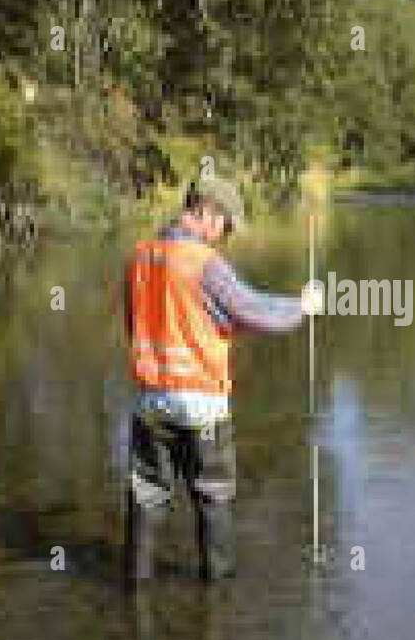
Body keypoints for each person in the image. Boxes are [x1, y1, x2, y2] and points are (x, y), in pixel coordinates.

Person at [122, 176, 310, 581]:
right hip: (200, 402)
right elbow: (253, 311)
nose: (225, 235)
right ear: (206, 213)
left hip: (147, 399)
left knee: (147, 495)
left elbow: (137, 322)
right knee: (213, 497)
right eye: (226, 225)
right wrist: (302, 306)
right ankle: (218, 598)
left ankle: (134, 587)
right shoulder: (205, 264)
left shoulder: (140, 255)